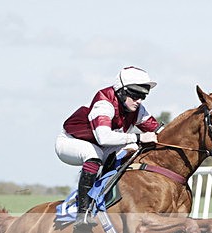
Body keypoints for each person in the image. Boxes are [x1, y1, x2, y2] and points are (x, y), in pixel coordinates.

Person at [55, 66, 160, 223]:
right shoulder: (104, 104)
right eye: (136, 95)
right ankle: (83, 213)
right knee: (93, 154)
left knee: (132, 151)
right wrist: (139, 137)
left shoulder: (137, 109)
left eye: (143, 96)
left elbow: (160, 131)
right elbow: (104, 138)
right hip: (71, 142)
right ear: (122, 91)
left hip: (100, 146)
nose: (139, 101)